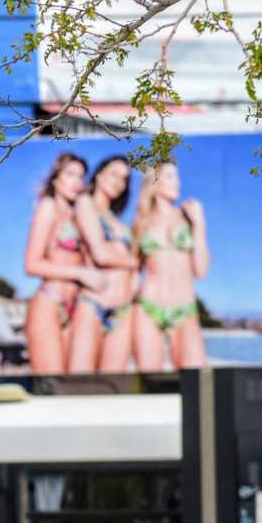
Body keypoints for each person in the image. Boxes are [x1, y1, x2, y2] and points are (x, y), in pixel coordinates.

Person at [21, 153, 107, 375]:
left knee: (74, 385)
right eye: (70, 174)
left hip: (75, 307)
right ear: (55, 179)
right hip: (49, 303)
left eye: (81, 177)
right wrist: (80, 273)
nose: (76, 182)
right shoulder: (48, 207)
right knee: (52, 386)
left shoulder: (78, 215)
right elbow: (31, 264)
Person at [132, 162, 210, 372]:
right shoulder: (141, 223)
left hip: (184, 310)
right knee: (150, 384)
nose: (177, 182)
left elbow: (201, 271)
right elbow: (132, 270)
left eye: (177, 176)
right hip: (148, 308)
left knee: (197, 380)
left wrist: (200, 223)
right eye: (169, 177)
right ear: (154, 183)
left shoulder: (188, 219)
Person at [68, 155, 140, 374]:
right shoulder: (85, 203)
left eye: (124, 179)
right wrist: (133, 262)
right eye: (114, 174)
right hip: (94, 304)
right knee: (79, 383)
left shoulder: (117, 220)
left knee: (113, 386)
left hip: (124, 310)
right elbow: (100, 254)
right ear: (99, 175)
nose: (119, 181)